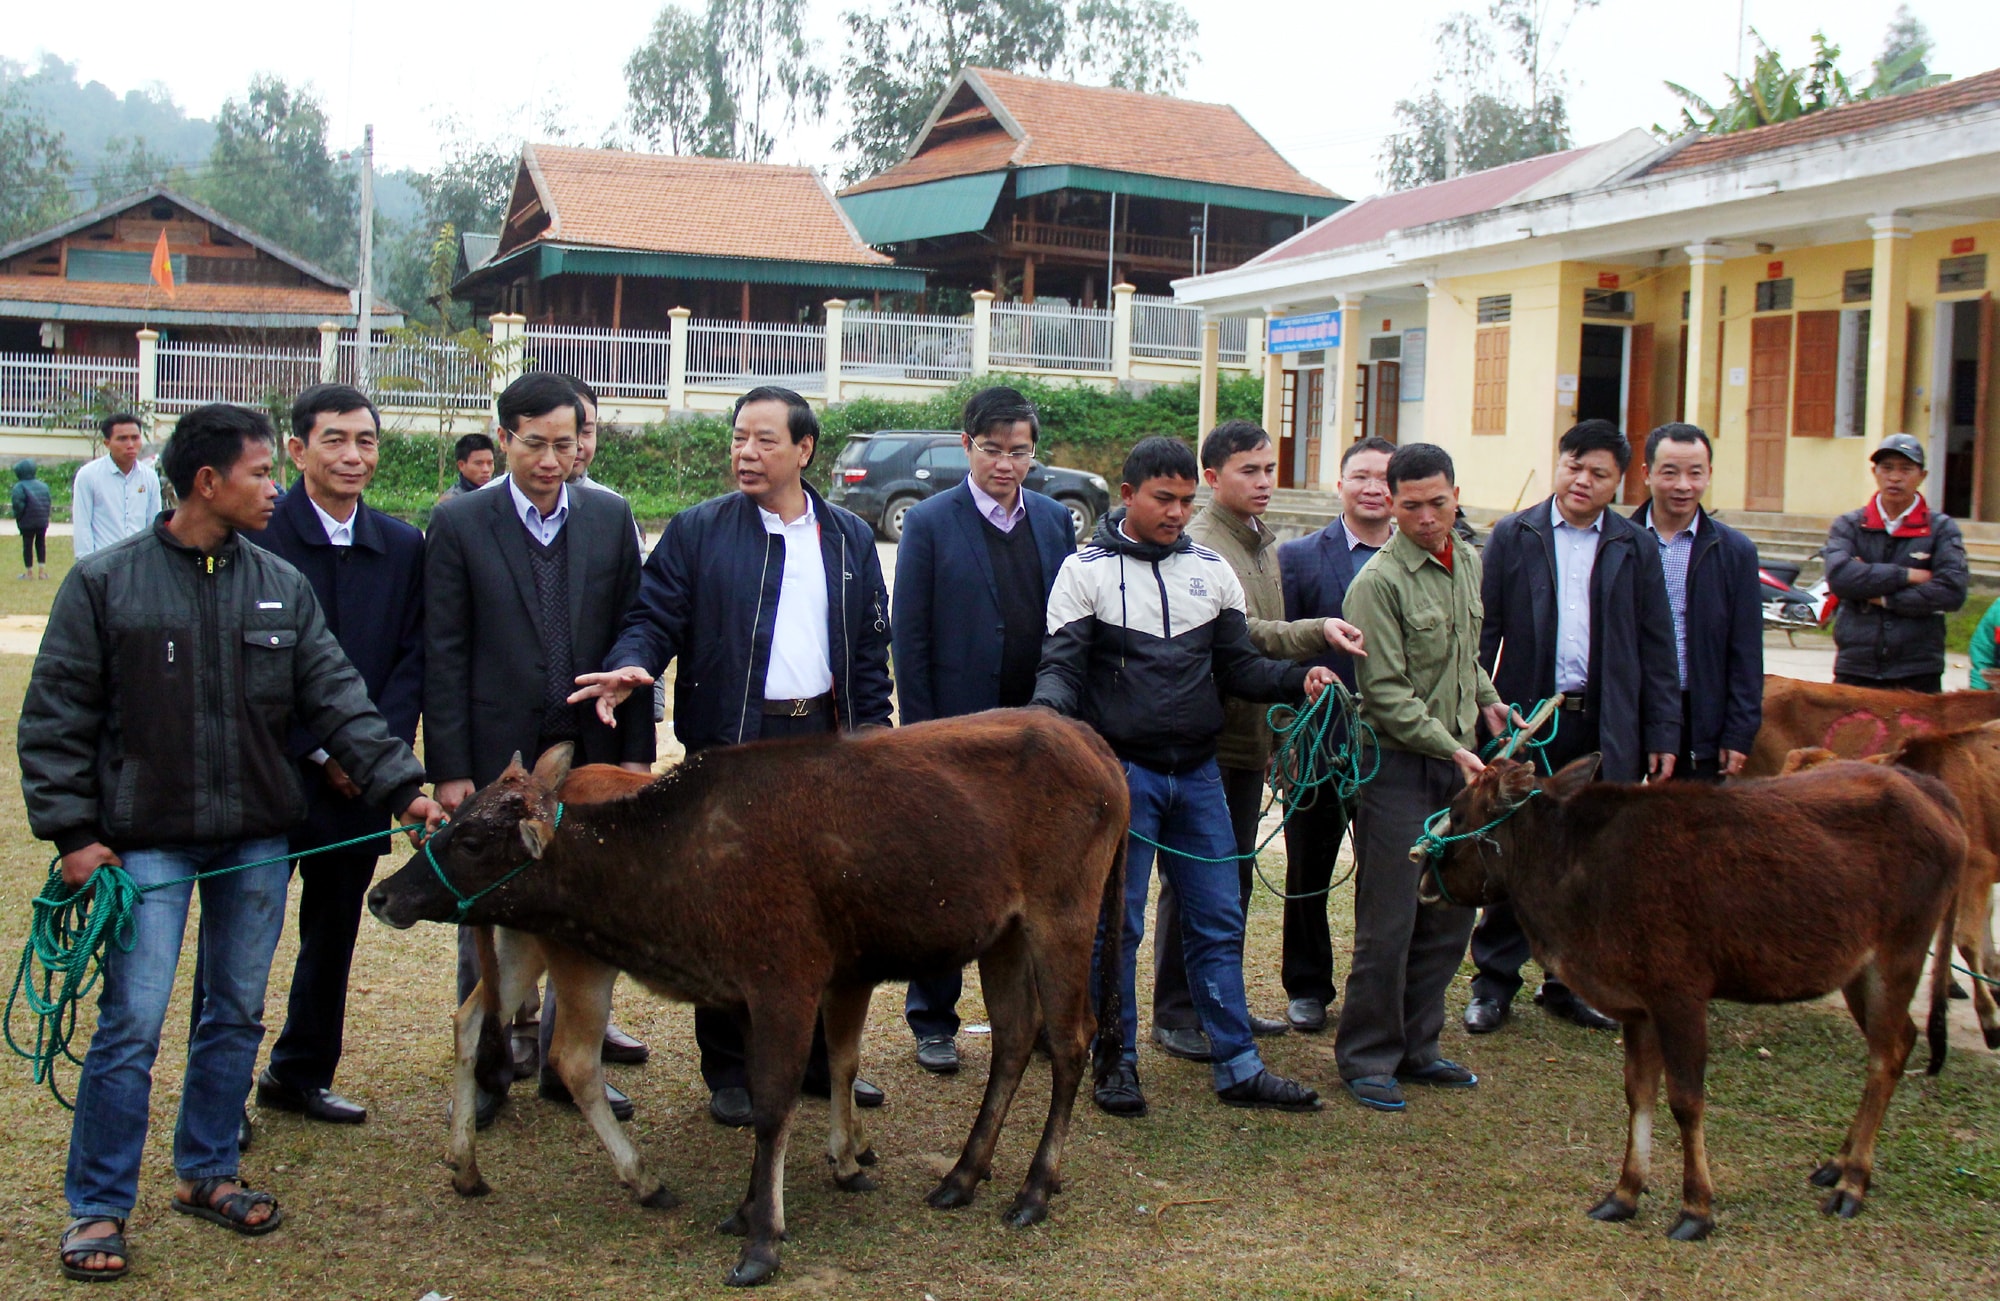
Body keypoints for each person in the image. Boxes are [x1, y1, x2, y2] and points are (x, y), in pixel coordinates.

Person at [19, 403, 440, 1282]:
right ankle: (98, 1204)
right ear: (208, 482)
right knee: (131, 1024)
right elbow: (56, 720)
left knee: (234, 1013)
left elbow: (340, 702)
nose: (274, 488)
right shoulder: (105, 584)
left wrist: (403, 787)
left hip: (256, 836)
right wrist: (73, 834)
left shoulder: (282, 584)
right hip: (146, 845)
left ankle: (206, 1170)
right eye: (260, 473)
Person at [571, 385, 894, 1129]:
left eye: (764, 440)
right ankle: (732, 1068)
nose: (745, 452)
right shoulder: (697, 530)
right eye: (738, 438)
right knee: (729, 908)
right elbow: (654, 616)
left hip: (823, 747)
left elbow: (871, 649)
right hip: (733, 746)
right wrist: (633, 662)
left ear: (804, 449)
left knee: (828, 903)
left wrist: (873, 733)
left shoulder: (846, 536)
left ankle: (818, 1060)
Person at [1032, 435, 1335, 1118]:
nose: (1176, 511)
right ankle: (1116, 1060)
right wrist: (1043, 724)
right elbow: (1061, 669)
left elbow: (1239, 670)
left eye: (1185, 500)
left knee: (1220, 918)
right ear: (1129, 495)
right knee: (1120, 926)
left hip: (1197, 775)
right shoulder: (1083, 572)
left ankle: (1239, 1064)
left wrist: (1299, 677)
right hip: (1122, 778)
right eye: (1163, 499)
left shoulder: (1210, 570)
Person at [425, 371, 655, 1126]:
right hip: (496, 750)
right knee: (489, 909)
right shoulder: (459, 522)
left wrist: (637, 761)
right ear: (504, 440)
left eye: (567, 443)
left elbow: (635, 631)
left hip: (590, 743)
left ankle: (568, 1061)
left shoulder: (611, 515)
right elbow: (445, 650)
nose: (552, 460)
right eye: (535, 444)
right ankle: (490, 1068)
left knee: (588, 900)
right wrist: (452, 769)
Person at [1150, 421, 1366, 1062]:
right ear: (1212, 479)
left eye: (1269, 469)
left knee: (1233, 880)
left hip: (1250, 738)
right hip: (1211, 738)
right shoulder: (1202, 543)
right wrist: (1316, 633)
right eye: (1250, 470)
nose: (1265, 481)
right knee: (1198, 879)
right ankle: (1177, 1011)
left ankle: (1218, 1003)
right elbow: (1244, 637)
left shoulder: (1257, 539)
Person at [241, 383, 424, 1125]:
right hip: (269, 771)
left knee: (334, 931)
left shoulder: (402, 544)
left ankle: (300, 1072)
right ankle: (219, 1094)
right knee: (243, 939)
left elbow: (412, 659)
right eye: (335, 440)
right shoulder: (257, 537)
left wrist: (370, 754)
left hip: (361, 782)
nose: (353, 455)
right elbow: (246, 672)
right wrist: (321, 748)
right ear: (296, 450)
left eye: (366, 441)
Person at [1466, 419, 1679, 1037]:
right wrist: (1482, 701)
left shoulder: (1634, 546)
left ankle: (1570, 983)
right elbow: (1486, 629)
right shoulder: (1517, 533)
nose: (1582, 481)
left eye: (1599, 474)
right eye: (1574, 466)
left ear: (1620, 483)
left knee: (1589, 857)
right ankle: (1494, 981)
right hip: (1529, 721)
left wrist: (1661, 734)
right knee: (1515, 846)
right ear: (1558, 464)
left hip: (1603, 724)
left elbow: (1657, 646)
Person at [892, 386, 1078, 1075]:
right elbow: (910, 639)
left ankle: (1023, 1014)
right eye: (993, 449)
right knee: (946, 873)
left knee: (1027, 876)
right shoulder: (931, 523)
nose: (1006, 463)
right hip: (955, 735)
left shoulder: (1056, 520)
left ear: (1034, 451)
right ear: (965, 445)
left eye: (1019, 451)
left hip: (1033, 733)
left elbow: (1067, 622)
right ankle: (932, 1016)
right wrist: (922, 740)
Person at [1335, 442, 1508, 1113]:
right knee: (1392, 918)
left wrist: (1489, 696)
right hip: (1400, 769)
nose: (1428, 517)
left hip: (1459, 763)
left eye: (1439, 502)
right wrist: (1451, 747)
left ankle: (1418, 1045)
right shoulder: (1376, 583)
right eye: (1412, 505)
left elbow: (1463, 653)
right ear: (1392, 503)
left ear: (1455, 496)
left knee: (1452, 911)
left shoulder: (1467, 559)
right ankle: (1367, 1055)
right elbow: (1385, 693)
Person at [1274, 435, 1394, 1033]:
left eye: (1386, 478)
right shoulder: (1296, 557)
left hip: (1393, 743)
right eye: (1362, 476)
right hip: (1320, 738)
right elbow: (1281, 642)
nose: (1374, 488)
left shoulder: (1422, 556)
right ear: (1340, 484)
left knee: (1387, 871)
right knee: (1309, 867)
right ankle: (1307, 985)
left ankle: (1376, 990)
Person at [1628, 423, 1763, 782]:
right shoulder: (1617, 543)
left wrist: (1739, 732)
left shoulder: (1735, 552)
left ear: (1709, 475)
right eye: (1670, 473)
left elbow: (1746, 651)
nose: (1683, 485)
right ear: (1647, 474)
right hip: (1627, 708)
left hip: (1699, 711)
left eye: (1695, 473)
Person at [1824, 432, 1968, 693]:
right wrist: (1908, 575)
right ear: (1875, 472)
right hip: (1857, 666)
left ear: (1922, 475)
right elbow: (1841, 578)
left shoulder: (1941, 529)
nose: (1895, 477)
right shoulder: (1849, 525)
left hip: (1918, 669)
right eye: (1887, 468)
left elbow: (1951, 591)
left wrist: (1885, 598)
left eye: (1906, 469)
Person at [71, 413, 162, 557]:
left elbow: (153, 525)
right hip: (103, 562)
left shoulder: (149, 477)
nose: (130, 445)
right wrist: (85, 564)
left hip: (138, 562)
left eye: (135, 438)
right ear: (107, 443)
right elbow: (82, 526)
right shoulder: (88, 475)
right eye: (122, 439)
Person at [11, 458, 52, 579]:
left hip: (27, 522)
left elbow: (18, 505)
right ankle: (41, 572)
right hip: (42, 522)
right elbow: (48, 503)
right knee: (41, 544)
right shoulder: (43, 486)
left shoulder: (19, 487)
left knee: (27, 546)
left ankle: (29, 573)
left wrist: (19, 517)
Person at [436, 432, 495, 502]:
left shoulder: (500, 494)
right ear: (461, 465)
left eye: (490, 463)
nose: (486, 470)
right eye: (478, 463)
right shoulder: (451, 501)